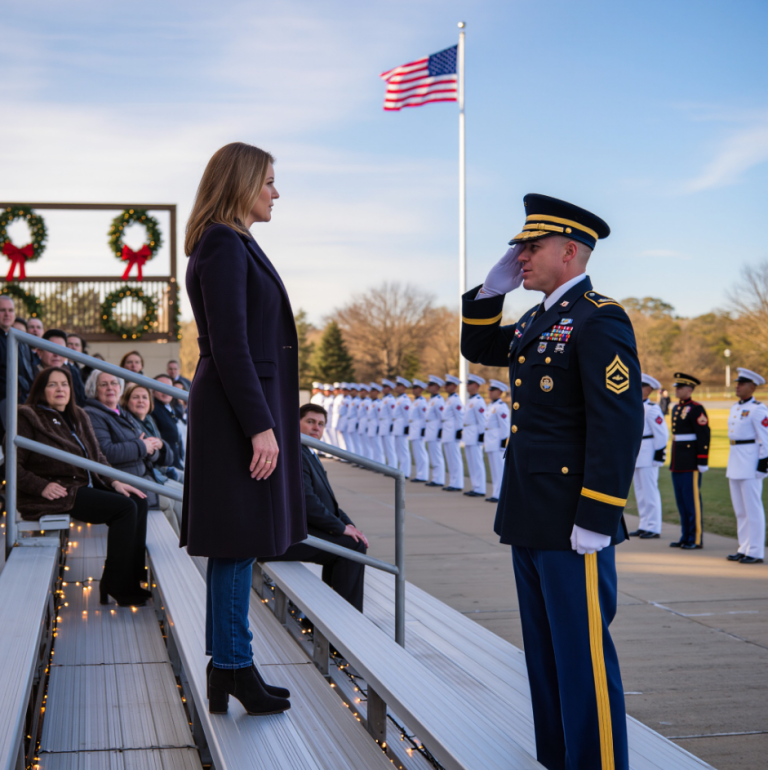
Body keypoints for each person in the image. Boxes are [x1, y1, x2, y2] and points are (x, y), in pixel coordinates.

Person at [461, 193, 643, 770]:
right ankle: (559, 758)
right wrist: (490, 295)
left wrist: (598, 515)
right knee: (543, 655)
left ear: (569, 251)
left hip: (572, 518)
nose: (520, 256)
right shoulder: (540, 318)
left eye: (530, 246)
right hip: (531, 512)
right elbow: (479, 346)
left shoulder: (599, 316)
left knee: (582, 656)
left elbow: (618, 424)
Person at [183, 141, 304, 717]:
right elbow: (229, 342)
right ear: (243, 182)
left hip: (238, 406)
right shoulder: (224, 242)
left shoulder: (230, 241)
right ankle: (233, 666)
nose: (276, 193)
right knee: (237, 543)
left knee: (239, 543)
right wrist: (260, 426)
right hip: (237, 413)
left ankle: (230, 665)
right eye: (270, 182)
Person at [18, 366, 149, 605]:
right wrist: (41, 486)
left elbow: (98, 456)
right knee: (125, 509)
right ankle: (116, 583)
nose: (60, 389)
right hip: (61, 491)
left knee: (139, 500)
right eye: (52, 384)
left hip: (88, 483)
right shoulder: (28, 416)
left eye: (65, 384)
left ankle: (132, 576)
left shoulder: (78, 414)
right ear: (40, 389)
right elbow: (14, 467)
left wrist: (115, 481)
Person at [260, 404, 368, 609]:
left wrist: (348, 525)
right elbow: (306, 502)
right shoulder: (294, 453)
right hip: (281, 538)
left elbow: (328, 501)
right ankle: (346, 620)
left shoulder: (307, 452)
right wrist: (340, 528)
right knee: (352, 547)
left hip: (294, 531)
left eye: (321, 424)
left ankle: (338, 615)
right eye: (310, 422)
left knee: (350, 541)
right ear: (296, 423)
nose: (316, 428)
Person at [84, 372, 170, 518]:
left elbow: (148, 444)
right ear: (94, 389)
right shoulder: (93, 414)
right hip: (125, 481)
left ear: (120, 387)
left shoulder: (122, 413)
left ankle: (183, 541)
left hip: (143, 476)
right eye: (104, 384)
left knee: (180, 501)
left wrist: (152, 448)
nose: (110, 388)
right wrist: (142, 447)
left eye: (114, 383)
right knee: (172, 503)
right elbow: (106, 452)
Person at [121, 381, 184, 532]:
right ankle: (180, 548)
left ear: (150, 402)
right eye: (136, 397)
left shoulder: (149, 420)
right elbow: (149, 457)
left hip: (159, 472)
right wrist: (156, 450)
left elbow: (166, 457)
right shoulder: (128, 422)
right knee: (179, 498)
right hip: (149, 475)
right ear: (127, 401)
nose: (141, 401)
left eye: (144, 397)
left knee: (185, 494)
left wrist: (160, 445)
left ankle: (189, 543)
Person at [725, 368, 768, 564]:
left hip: (751, 461)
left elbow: (766, 438)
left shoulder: (758, 409)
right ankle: (744, 547)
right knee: (740, 510)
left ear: (752, 387)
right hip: (735, 460)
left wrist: (763, 463)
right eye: (737, 383)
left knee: (753, 508)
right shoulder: (735, 407)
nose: (737, 386)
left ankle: (756, 551)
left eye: (741, 384)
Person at [669, 372, 710, 549]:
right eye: (676, 387)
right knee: (681, 501)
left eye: (680, 387)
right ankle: (685, 536)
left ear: (689, 389)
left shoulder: (696, 408)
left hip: (691, 462)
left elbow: (703, 435)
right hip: (678, 461)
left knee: (692, 501)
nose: (676, 390)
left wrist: (702, 460)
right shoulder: (676, 408)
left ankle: (696, 538)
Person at [629, 374, 669, 539]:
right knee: (640, 491)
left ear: (649, 389)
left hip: (649, 454)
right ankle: (644, 524)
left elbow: (662, 433)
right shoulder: (634, 406)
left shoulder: (652, 409)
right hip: (637, 454)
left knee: (650, 491)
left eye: (641, 386)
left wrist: (659, 453)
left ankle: (654, 526)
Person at [0, 296, 35, 423]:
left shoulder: (22, 342)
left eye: (11, 310)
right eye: (2, 310)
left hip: (23, 400)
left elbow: (30, 372)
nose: (7, 314)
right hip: (5, 401)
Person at [37, 329, 87, 408]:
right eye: (51, 349)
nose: (56, 354)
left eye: (61, 350)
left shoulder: (73, 371)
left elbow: (81, 400)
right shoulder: (30, 372)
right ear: (40, 352)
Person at [152, 374, 185, 471]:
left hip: (177, 463)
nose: (165, 391)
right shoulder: (153, 409)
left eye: (169, 387)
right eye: (161, 387)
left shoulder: (170, 408)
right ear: (153, 391)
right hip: (167, 467)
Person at [484, 380, 510, 503]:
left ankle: (499, 494)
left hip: (497, 442)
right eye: (489, 390)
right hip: (490, 441)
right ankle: (496, 493)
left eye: (492, 390)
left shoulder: (501, 407)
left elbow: (505, 426)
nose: (489, 392)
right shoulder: (491, 406)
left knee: (499, 469)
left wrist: (503, 443)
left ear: (499, 392)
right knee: (494, 470)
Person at [463, 374, 487, 497]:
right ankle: (475, 486)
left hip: (475, 435)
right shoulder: (471, 401)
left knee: (477, 462)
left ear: (476, 386)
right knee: (471, 463)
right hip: (469, 435)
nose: (467, 386)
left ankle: (480, 488)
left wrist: (481, 436)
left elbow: (482, 421)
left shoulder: (478, 402)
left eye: (470, 383)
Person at [441, 374, 464, 491]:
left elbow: (459, 417)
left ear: (454, 386)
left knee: (455, 458)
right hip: (447, 432)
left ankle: (458, 483)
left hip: (453, 432)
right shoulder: (449, 399)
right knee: (450, 458)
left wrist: (459, 431)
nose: (445, 386)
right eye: (446, 384)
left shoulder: (455, 400)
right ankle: (453, 482)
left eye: (448, 384)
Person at [424, 376, 446, 487]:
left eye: (431, 385)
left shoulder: (438, 401)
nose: (428, 387)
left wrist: (440, 431)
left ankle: (439, 479)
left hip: (435, 431)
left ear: (436, 387)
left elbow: (442, 418)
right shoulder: (432, 400)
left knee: (437, 456)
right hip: (430, 431)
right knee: (433, 456)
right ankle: (436, 478)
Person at [408, 379, 429, 482]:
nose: (413, 390)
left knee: (421, 453)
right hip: (414, 430)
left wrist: (423, 430)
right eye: (413, 388)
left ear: (420, 389)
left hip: (418, 431)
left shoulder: (421, 402)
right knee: (417, 453)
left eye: (415, 388)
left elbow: (424, 417)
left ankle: (423, 475)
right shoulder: (416, 401)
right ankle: (419, 474)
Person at [392, 377, 412, 478]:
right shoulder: (399, 399)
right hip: (397, 428)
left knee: (403, 451)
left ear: (403, 387)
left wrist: (407, 428)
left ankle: (405, 472)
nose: (396, 387)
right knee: (399, 452)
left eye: (398, 386)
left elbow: (407, 416)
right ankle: (401, 471)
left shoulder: (404, 400)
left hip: (402, 429)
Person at [378, 379, 398, 469]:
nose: (383, 389)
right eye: (383, 387)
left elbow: (393, 415)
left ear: (389, 388)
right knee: (386, 449)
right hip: (383, 425)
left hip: (388, 426)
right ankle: (389, 467)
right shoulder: (385, 399)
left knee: (390, 449)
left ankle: (392, 467)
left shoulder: (390, 400)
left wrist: (391, 427)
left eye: (385, 387)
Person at [367, 383, 384, 463]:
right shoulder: (372, 402)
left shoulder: (378, 403)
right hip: (371, 426)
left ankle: (380, 463)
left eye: (373, 391)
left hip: (376, 427)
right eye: (371, 391)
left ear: (377, 392)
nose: (371, 393)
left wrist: (378, 427)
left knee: (378, 447)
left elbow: (379, 417)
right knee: (373, 447)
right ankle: (374, 463)